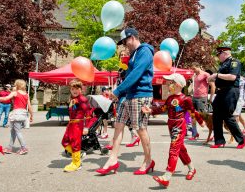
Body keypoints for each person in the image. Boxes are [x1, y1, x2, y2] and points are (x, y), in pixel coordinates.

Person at [96, 27, 154, 175]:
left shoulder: (145, 51)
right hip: (128, 96)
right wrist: (120, 92)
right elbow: (128, 76)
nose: (124, 45)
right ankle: (113, 160)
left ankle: (148, 161)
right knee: (118, 125)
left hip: (141, 95)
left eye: (125, 41)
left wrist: (117, 91)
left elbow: (136, 74)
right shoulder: (133, 55)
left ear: (132, 37)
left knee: (140, 129)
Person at [142, 73, 204, 188]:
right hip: (171, 125)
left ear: (179, 85)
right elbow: (162, 108)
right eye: (169, 82)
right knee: (180, 149)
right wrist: (150, 110)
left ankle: (167, 176)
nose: (169, 84)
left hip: (179, 125)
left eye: (171, 82)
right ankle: (192, 168)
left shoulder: (186, 99)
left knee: (173, 149)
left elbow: (192, 112)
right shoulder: (170, 98)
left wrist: (201, 121)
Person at [208, 47, 245, 149]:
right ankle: (219, 141)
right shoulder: (223, 64)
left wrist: (216, 75)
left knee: (227, 116)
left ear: (224, 53)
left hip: (230, 90)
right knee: (216, 116)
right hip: (221, 92)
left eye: (218, 55)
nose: (218, 57)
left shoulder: (235, 62)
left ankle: (241, 139)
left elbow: (233, 77)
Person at [0, 79, 33, 155]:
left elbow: (5, 98)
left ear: (18, 85)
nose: (14, 85)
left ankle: (24, 148)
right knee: (13, 131)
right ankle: (9, 148)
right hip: (23, 114)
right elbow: (29, 106)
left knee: (17, 131)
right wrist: (31, 115)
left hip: (17, 114)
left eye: (15, 84)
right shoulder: (26, 94)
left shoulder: (15, 93)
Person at [61, 80, 93, 172]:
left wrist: (86, 127)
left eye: (76, 88)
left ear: (80, 89)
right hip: (71, 124)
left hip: (77, 125)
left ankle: (76, 163)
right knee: (65, 142)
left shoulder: (82, 99)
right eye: (72, 89)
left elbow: (89, 114)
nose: (74, 90)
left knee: (75, 144)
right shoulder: (72, 99)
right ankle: (79, 155)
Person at [189, 62, 215, 140]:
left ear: (198, 66)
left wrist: (210, 99)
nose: (193, 70)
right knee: (193, 116)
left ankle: (212, 134)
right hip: (194, 97)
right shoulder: (195, 75)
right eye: (192, 69)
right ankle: (195, 134)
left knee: (205, 118)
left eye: (194, 69)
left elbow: (213, 86)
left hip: (202, 98)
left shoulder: (206, 75)